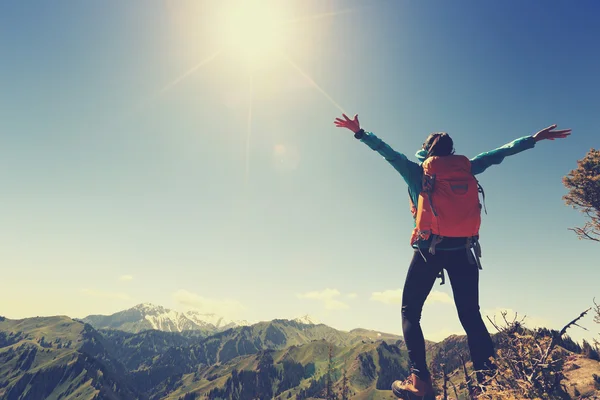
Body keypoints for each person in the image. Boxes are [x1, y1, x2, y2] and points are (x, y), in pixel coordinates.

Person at [334, 114, 571, 398]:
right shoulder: (468, 168)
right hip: (464, 251)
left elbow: (387, 153)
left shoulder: (417, 172)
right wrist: (533, 139)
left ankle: (419, 381)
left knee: (410, 311)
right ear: (452, 152)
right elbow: (501, 153)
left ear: (426, 152)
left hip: (428, 252)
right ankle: (489, 381)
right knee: (471, 315)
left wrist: (360, 132)